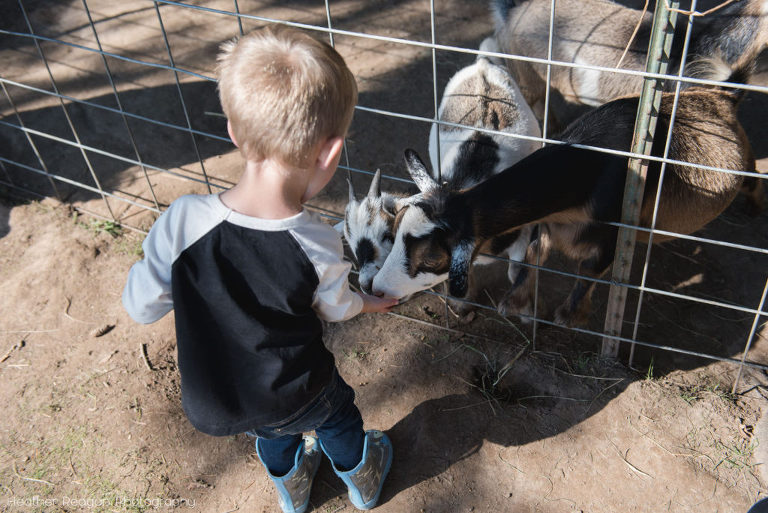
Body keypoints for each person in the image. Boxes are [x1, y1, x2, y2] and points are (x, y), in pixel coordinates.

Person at [122, 25, 397, 513]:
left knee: (272, 430)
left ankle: (291, 488)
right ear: (330, 152)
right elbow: (335, 309)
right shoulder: (314, 240)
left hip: (232, 395)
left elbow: (141, 307)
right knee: (337, 418)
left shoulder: (182, 220)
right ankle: (363, 477)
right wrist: (368, 303)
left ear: (232, 130)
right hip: (302, 386)